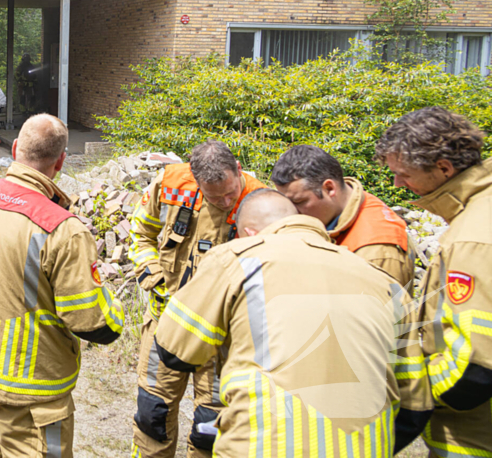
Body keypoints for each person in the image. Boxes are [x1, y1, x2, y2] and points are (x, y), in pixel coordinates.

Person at [151, 189, 427, 457]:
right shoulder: (386, 285)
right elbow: (416, 408)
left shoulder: (237, 259)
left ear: (249, 233)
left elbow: (173, 351)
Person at [0, 114, 124, 458]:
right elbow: (93, 323)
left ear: (15, 148)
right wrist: (116, 308)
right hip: (29, 394)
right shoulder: (63, 230)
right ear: (61, 162)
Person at [127, 140, 267, 458]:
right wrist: (153, 275)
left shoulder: (262, 203)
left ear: (239, 170)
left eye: (230, 194)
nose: (224, 202)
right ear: (196, 180)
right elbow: (141, 231)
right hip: (165, 327)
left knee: (212, 427)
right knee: (153, 414)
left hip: (224, 340)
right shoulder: (170, 184)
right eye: (213, 196)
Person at [376, 107, 492, 456]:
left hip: (471, 437)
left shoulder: (473, 238)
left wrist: (415, 394)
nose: (397, 184)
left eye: (403, 173)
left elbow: (475, 371)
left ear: (444, 168)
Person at [271, 144, 413, 289]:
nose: (292, 212)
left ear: (329, 188)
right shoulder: (344, 205)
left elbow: (377, 310)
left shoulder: (376, 251)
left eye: (299, 202)